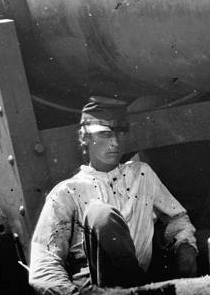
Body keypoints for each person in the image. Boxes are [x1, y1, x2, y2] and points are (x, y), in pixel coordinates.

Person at [29, 97, 198, 294]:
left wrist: (185, 245)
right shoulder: (67, 193)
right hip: (92, 287)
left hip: (141, 281)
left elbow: (176, 217)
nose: (115, 142)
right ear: (84, 137)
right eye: (104, 134)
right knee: (101, 215)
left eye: (120, 132)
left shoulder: (142, 174)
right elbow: (44, 263)